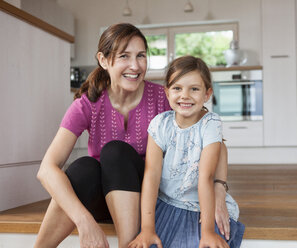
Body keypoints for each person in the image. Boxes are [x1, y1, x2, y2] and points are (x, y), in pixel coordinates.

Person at [34, 23, 230, 248]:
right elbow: (46, 169)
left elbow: (214, 141)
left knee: (115, 152)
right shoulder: (87, 104)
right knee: (83, 169)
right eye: (125, 56)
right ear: (104, 60)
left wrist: (219, 188)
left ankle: (128, 245)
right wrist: (84, 222)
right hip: (102, 202)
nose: (135, 66)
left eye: (141, 56)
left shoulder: (163, 97)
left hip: (149, 202)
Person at [129, 55, 245, 248]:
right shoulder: (160, 124)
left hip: (202, 208)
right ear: (166, 92)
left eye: (194, 89)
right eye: (177, 88)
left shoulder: (211, 124)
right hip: (166, 203)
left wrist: (207, 231)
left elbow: (206, 177)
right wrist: (147, 228)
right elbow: (151, 175)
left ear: (207, 94)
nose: (185, 95)